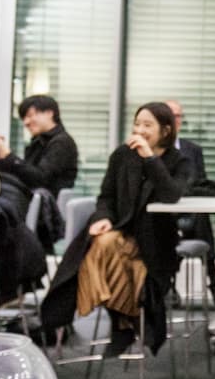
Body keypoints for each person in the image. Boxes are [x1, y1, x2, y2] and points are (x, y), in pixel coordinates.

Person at [40, 103, 191, 358]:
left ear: (165, 130)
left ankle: (120, 321)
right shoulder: (122, 155)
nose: (140, 130)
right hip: (121, 230)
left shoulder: (178, 160)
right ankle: (127, 319)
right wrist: (103, 217)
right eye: (137, 123)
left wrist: (150, 159)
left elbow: (171, 195)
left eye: (147, 125)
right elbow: (106, 196)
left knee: (104, 248)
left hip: (155, 240)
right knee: (103, 240)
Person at [165, 99, 215, 304]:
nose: (175, 120)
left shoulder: (193, 150)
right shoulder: (154, 151)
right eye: (170, 115)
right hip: (166, 217)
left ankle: (169, 281)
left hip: (190, 213)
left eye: (178, 116)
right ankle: (214, 279)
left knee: (199, 215)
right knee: (199, 219)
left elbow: (201, 184)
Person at [0, 93, 79, 194]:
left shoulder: (61, 142)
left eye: (30, 115)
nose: (26, 122)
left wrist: (7, 155)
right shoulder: (38, 141)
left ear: (49, 113)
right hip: (26, 199)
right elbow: (22, 174)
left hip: (43, 204)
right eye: (24, 118)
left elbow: (40, 179)